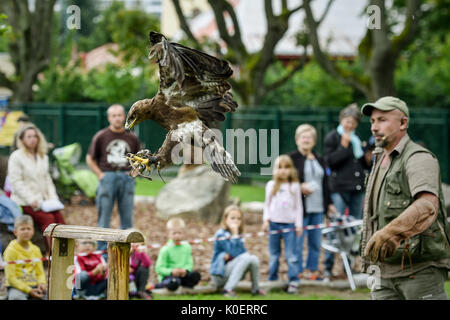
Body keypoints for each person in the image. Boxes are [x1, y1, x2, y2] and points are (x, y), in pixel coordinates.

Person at [360, 96, 450, 300]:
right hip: (383, 271)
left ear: (403, 123)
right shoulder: (380, 158)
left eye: (382, 120)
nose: (374, 127)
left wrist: (391, 233)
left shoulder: (418, 158)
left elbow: (427, 206)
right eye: (372, 121)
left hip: (418, 271)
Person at [86, 104, 141, 253]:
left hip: (126, 177)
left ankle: (126, 248)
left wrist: (133, 174)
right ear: (109, 118)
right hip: (107, 177)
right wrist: (100, 175)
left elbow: (140, 159)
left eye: (120, 115)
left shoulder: (132, 137)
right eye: (114, 115)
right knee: (104, 215)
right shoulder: (101, 136)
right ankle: (103, 250)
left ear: (124, 116)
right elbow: (89, 158)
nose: (117, 118)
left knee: (127, 216)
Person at [323, 103, 369, 278]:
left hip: (357, 189)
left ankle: (348, 267)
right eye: (347, 121)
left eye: (353, 122)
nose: (350, 125)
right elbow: (330, 162)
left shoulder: (358, 139)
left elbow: (362, 164)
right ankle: (328, 268)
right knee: (337, 227)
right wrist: (343, 147)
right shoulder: (333, 137)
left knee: (354, 229)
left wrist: (367, 158)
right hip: (339, 189)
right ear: (341, 120)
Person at [7, 124, 65, 253]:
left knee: (60, 219)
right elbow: (16, 182)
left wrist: (53, 198)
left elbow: (47, 180)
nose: (32, 139)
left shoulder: (42, 156)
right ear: (22, 139)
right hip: (26, 201)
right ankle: (54, 253)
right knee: (48, 220)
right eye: (29, 136)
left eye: (35, 136)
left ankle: (66, 252)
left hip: (45, 201)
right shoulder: (16, 157)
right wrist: (32, 199)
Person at [289, 124, 336, 281]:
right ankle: (297, 272)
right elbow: (282, 181)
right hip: (300, 208)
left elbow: (325, 183)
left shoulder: (320, 159)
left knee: (315, 243)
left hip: (318, 208)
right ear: (297, 140)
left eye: (309, 137)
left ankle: (312, 271)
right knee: (298, 242)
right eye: (303, 136)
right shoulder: (291, 159)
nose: (306, 139)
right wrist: (298, 187)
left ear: (314, 141)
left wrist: (329, 204)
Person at [262, 155, 302, 293]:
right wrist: (266, 220)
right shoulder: (271, 185)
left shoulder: (295, 186)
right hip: (274, 224)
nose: (283, 171)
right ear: (275, 170)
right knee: (274, 254)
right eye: (280, 168)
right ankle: (272, 279)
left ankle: (293, 281)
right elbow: (266, 205)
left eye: (286, 167)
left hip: (289, 225)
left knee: (291, 255)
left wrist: (299, 224)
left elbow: (298, 207)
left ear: (291, 169)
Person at [210, 205, 264, 297]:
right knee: (246, 257)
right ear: (225, 219)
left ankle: (255, 289)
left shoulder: (239, 235)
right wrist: (235, 234)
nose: (236, 221)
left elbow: (242, 253)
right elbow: (233, 252)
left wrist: (236, 235)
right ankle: (228, 290)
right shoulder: (221, 234)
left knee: (253, 258)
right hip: (220, 274)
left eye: (239, 219)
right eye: (232, 218)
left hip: (233, 271)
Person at [3, 215, 47, 300]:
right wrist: (29, 290)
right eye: (22, 229)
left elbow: (40, 272)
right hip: (16, 287)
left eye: (28, 228)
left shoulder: (36, 249)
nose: (26, 231)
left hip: (34, 285)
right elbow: (10, 278)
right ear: (15, 232)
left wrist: (42, 283)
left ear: (33, 231)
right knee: (16, 297)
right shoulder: (10, 250)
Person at [155, 217, 201, 291]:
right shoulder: (165, 249)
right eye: (174, 233)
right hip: (170, 275)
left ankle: (182, 284)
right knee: (173, 282)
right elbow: (159, 268)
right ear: (168, 234)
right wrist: (171, 271)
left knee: (195, 275)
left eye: (179, 233)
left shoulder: (187, 246)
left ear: (183, 233)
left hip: (183, 274)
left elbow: (189, 263)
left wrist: (185, 270)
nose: (177, 235)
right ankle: (163, 285)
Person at [128, 229, 152, 300]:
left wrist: (142, 253)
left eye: (136, 242)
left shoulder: (138, 253)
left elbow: (148, 264)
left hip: (135, 277)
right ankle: (130, 293)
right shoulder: (123, 252)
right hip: (127, 277)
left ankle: (141, 291)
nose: (134, 244)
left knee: (144, 268)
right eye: (132, 242)